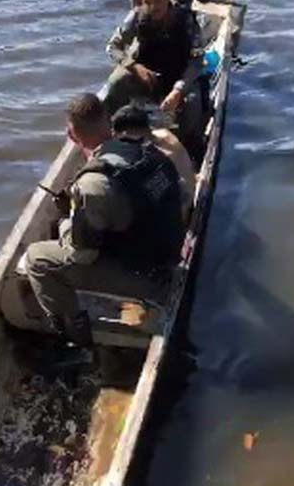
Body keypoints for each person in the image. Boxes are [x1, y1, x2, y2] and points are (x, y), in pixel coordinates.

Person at [25, 93, 184, 349]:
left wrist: (67, 221)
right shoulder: (148, 153)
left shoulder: (93, 183)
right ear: (109, 122)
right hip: (169, 259)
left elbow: (82, 255)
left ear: (72, 135)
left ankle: (73, 340)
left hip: (146, 279)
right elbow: (182, 196)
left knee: (38, 259)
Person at [105, 0, 204, 157]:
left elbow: (197, 60)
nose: (153, 7)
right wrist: (134, 67)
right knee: (115, 83)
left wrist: (178, 90)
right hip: (147, 75)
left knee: (193, 103)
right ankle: (112, 136)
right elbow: (112, 47)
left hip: (178, 76)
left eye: (158, 1)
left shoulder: (186, 19)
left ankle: (189, 151)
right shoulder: (136, 16)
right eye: (147, 2)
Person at [111, 103, 196, 221]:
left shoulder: (154, 158)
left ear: (125, 134)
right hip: (188, 205)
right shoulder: (164, 134)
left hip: (180, 220)